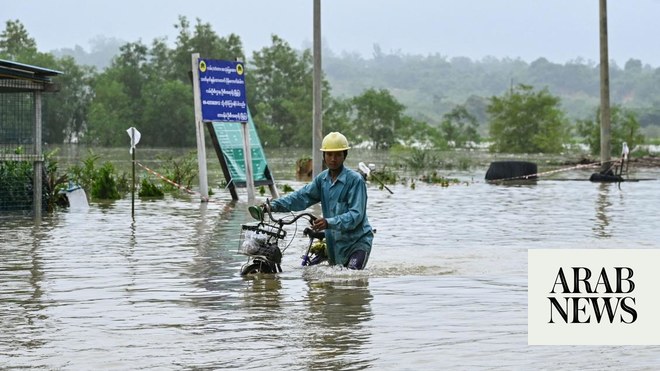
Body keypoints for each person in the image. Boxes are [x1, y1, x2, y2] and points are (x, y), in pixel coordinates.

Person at [265, 132, 374, 270]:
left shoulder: (355, 181)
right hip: (334, 244)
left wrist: (328, 222)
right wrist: (272, 206)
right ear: (324, 156)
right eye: (329, 154)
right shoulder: (322, 180)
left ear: (344, 156)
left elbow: (356, 215)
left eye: (337, 155)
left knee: (352, 279)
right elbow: (300, 197)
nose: (333, 159)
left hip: (357, 243)